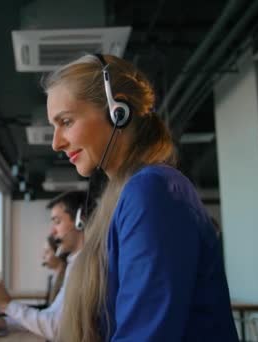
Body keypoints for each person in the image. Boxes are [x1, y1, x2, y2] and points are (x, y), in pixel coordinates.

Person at [44, 53, 238, 341]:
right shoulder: (130, 194)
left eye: (67, 121)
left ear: (116, 111)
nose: (56, 142)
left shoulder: (152, 192)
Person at [0, 191, 88, 340]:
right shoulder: (75, 264)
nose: (52, 231)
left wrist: (7, 304)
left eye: (57, 221)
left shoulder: (87, 268)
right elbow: (50, 316)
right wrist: (6, 322)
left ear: (80, 220)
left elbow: (56, 328)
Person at [42, 235, 68, 305]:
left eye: (47, 252)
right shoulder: (51, 278)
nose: (43, 256)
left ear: (59, 253)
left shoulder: (67, 278)